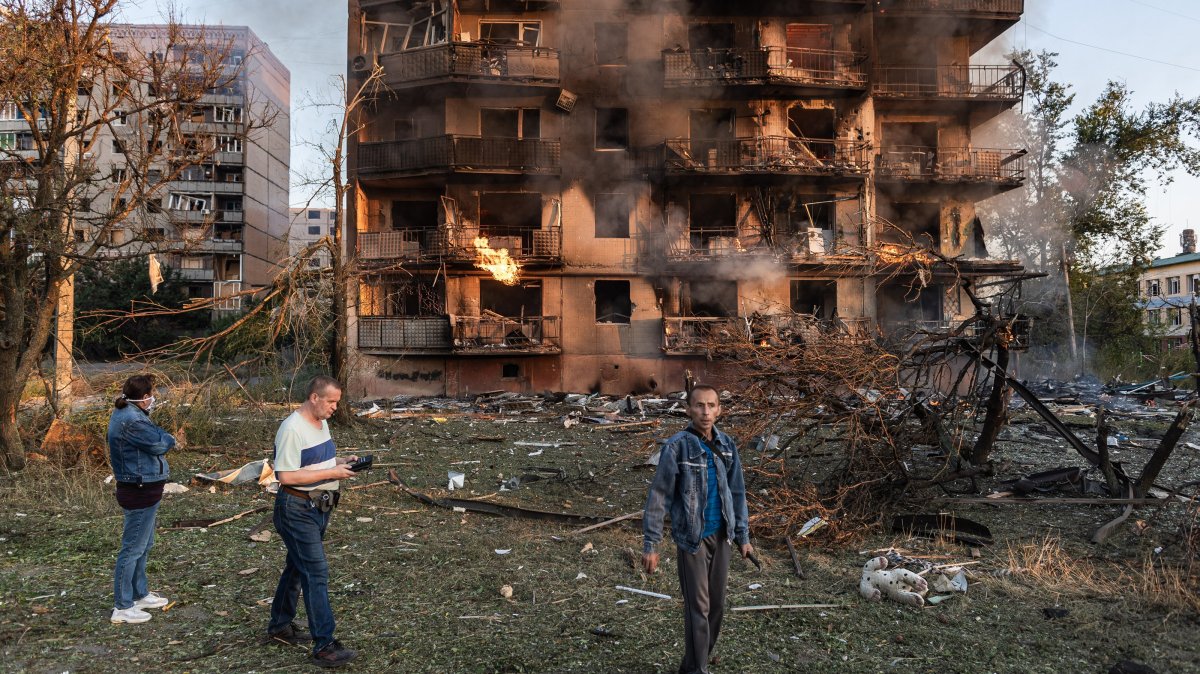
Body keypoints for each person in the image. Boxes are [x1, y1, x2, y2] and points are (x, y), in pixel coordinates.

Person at [642, 384, 753, 674]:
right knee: (698, 609)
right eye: (699, 406)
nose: (706, 412)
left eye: (711, 405)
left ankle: (694, 663)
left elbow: (738, 492)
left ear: (719, 409)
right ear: (688, 409)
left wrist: (743, 536)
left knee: (716, 608)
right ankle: (697, 670)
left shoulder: (727, 445)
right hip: (692, 540)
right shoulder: (677, 446)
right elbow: (659, 496)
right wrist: (651, 545)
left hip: (723, 537)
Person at [267, 375, 359, 669]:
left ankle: (280, 626)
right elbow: (287, 476)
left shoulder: (323, 423)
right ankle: (325, 645)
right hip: (296, 508)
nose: (335, 407)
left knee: (297, 567)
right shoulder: (292, 429)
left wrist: (339, 463)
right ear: (314, 398)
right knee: (316, 572)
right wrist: (332, 475)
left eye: (337, 402)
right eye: (331, 401)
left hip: (319, 507)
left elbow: (315, 464)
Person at [108, 374, 176, 624]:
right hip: (138, 490)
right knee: (132, 549)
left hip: (146, 489)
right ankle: (123, 606)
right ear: (145, 397)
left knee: (144, 545)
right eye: (152, 394)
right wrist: (170, 438)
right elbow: (160, 443)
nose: (153, 399)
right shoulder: (132, 420)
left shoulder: (132, 414)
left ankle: (139, 593)